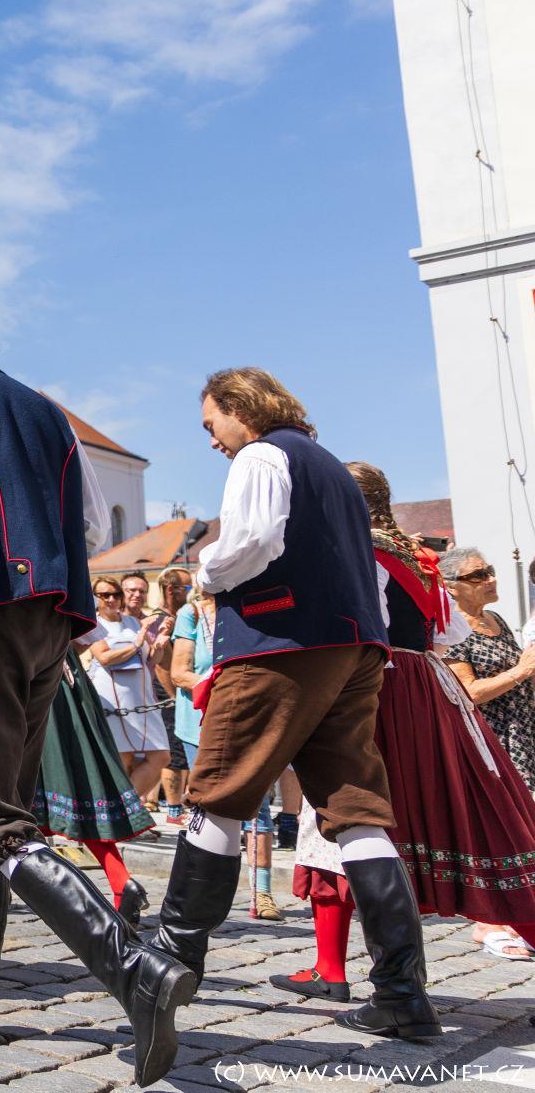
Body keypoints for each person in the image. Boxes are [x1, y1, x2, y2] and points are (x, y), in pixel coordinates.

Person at [0, 302, 187, 1083]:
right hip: (51, 617)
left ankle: (135, 970)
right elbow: (90, 528)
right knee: (5, 805)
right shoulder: (51, 415)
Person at [144, 368, 435, 1042]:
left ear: (239, 407)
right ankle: (402, 991)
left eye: (211, 423)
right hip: (354, 647)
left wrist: (204, 572)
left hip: (281, 641)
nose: (212, 440)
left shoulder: (262, 454)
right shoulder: (333, 469)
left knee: (218, 791)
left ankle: (168, 963)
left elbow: (252, 542)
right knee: (357, 810)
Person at [277, 463, 535, 994]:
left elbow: (357, 626)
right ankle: (332, 967)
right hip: (428, 691)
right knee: (471, 816)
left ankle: (330, 969)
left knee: (339, 811)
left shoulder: (353, 552)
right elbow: (449, 634)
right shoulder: (415, 558)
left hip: (372, 689)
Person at [31, 633, 155, 929]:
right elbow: (87, 635)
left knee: (30, 793)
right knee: (71, 787)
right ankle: (120, 881)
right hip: (57, 670)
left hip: (35, 673)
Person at [443, 547, 535, 793]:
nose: (491, 579)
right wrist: (522, 671)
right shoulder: (452, 630)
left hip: (523, 730)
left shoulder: (495, 618)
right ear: (451, 587)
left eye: (490, 571)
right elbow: (468, 692)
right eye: (478, 575)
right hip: (493, 740)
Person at [87, 577, 169, 806]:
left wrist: (159, 645)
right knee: (124, 759)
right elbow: (104, 657)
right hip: (113, 698)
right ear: (95, 598)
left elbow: (151, 659)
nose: (111, 599)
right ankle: (123, 812)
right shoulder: (94, 624)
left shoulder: (133, 622)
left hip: (142, 696)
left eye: (115, 594)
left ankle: (123, 808)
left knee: (161, 756)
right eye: (105, 595)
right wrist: (137, 642)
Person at [148, 568, 192, 823]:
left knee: (182, 752)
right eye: (188, 589)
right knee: (175, 752)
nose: (191, 594)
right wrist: (175, 697)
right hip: (167, 695)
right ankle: (174, 810)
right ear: (170, 590)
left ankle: (178, 807)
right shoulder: (159, 620)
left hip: (177, 693)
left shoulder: (176, 617)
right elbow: (163, 666)